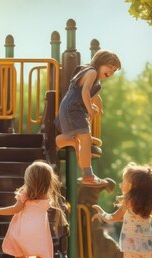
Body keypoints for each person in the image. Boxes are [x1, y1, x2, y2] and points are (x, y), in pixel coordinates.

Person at [0, 161, 67, 258]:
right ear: (48, 180)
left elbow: (15, 209)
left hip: (22, 231)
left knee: (20, 255)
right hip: (39, 232)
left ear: (29, 178)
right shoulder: (47, 195)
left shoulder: (25, 192)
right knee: (42, 255)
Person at [55, 49, 121, 187]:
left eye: (114, 70)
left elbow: (93, 95)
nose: (111, 72)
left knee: (76, 141)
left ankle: (52, 144)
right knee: (86, 138)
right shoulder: (91, 72)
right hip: (72, 109)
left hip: (73, 109)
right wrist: (90, 110)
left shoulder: (96, 81)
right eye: (109, 67)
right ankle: (88, 175)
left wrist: (98, 106)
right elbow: (84, 92)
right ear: (99, 62)